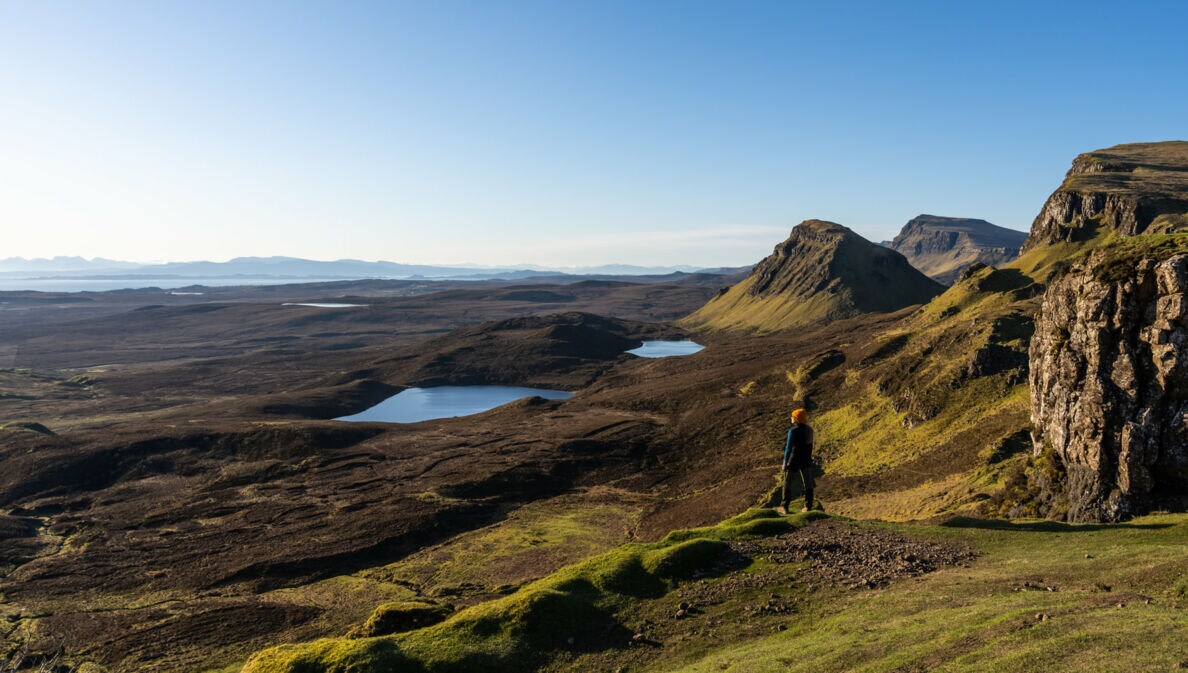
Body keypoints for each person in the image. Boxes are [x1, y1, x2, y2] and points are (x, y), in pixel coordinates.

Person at [778, 408, 815, 514]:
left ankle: (784, 506)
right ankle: (808, 506)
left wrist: (785, 462)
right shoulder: (809, 430)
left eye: (793, 416)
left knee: (787, 483)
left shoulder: (793, 431)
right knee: (808, 483)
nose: (791, 418)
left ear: (796, 419)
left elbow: (788, 448)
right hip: (806, 459)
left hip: (794, 459)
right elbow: (810, 446)